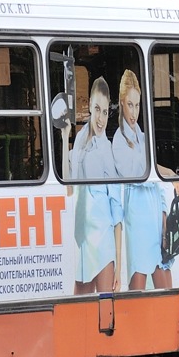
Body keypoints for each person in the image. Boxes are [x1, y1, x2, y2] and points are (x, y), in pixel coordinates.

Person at [112, 70, 170, 291]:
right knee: (138, 288)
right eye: (129, 105)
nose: (133, 112)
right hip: (137, 222)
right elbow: (139, 176)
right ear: (122, 104)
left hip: (156, 221)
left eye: (137, 105)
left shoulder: (144, 137)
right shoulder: (118, 141)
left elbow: (158, 185)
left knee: (166, 289)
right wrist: (164, 172)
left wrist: (164, 220)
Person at [69, 76, 122, 295]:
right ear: (89, 107)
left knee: (105, 309)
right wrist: (64, 140)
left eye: (105, 112)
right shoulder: (80, 140)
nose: (101, 119)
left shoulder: (107, 150)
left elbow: (116, 210)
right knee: (78, 308)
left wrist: (118, 265)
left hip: (102, 242)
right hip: (84, 241)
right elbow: (70, 187)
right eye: (97, 109)